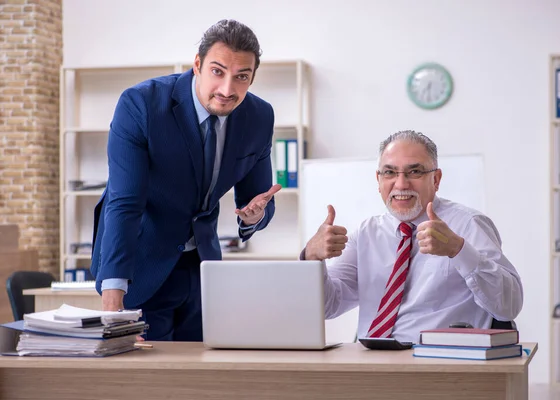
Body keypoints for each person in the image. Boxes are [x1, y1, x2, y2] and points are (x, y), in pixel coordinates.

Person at [90, 19, 281, 341]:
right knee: (145, 384)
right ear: (197, 65)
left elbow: (258, 198)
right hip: (140, 266)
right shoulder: (142, 105)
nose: (227, 89)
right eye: (217, 71)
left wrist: (256, 215)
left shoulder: (259, 117)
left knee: (203, 381)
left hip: (203, 270)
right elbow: (125, 201)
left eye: (241, 77)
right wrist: (113, 297)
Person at [303, 130, 523, 342]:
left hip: (441, 364)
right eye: (390, 172)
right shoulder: (367, 233)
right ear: (378, 181)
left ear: (436, 179)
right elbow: (328, 307)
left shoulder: (467, 224)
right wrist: (312, 258)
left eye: (414, 171)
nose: (401, 184)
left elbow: (508, 306)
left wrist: (459, 250)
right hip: (372, 364)